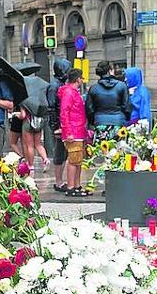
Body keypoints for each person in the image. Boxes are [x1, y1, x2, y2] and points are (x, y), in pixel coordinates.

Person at [58, 68, 89, 197]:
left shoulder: (72, 92)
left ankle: (76, 185)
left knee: (78, 160)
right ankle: (71, 186)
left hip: (78, 130)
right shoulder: (69, 93)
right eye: (81, 78)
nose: (82, 80)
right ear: (78, 79)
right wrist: (68, 131)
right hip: (74, 131)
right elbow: (64, 112)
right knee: (73, 160)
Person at [47, 58, 72, 192]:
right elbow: (51, 108)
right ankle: (58, 181)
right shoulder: (54, 86)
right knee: (59, 152)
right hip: (59, 124)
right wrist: (56, 126)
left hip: (63, 123)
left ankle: (61, 180)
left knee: (64, 153)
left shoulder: (61, 85)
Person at [85, 61, 131, 132]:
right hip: (118, 121)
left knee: (101, 143)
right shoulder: (122, 86)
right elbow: (127, 107)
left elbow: (89, 109)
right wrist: (125, 118)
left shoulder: (94, 88)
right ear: (110, 71)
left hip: (100, 121)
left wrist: (94, 121)